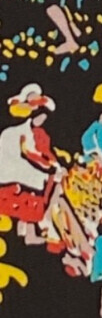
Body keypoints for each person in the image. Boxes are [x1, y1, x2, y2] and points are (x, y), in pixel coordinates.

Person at [0, 84, 58, 243]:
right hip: (11, 170)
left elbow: (37, 154)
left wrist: (51, 164)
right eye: (40, 116)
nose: (42, 120)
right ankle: (30, 232)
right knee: (40, 181)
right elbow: (31, 154)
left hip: (10, 168)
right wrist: (50, 168)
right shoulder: (23, 130)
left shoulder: (22, 129)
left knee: (38, 180)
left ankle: (24, 230)